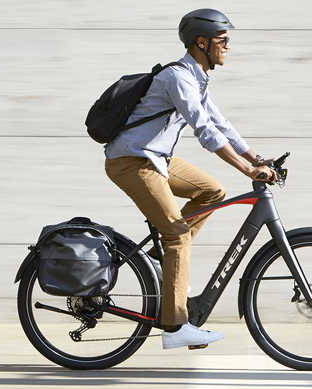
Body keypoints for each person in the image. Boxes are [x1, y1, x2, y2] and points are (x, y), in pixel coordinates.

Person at [104, 8, 276, 349]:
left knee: (213, 191)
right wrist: (247, 170)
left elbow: (220, 124)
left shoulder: (197, 78)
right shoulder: (179, 78)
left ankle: (160, 255)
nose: (228, 47)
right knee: (179, 236)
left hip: (156, 158)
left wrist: (256, 158)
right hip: (131, 161)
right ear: (202, 42)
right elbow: (205, 132)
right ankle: (176, 325)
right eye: (222, 41)